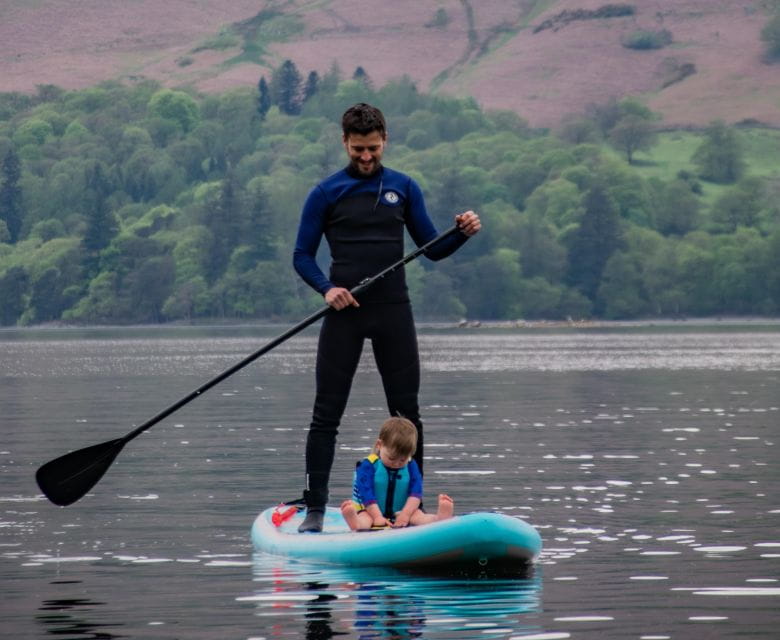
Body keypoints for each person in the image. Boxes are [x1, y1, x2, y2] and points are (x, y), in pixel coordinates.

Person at [293, 102, 481, 532]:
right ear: (344, 142)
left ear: (385, 141)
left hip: (394, 311)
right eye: (358, 148)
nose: (365, 156)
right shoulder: (326, 193)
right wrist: (327, 288)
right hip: (345, 313)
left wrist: (462, 234)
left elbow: (432, 248)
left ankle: (410, 510)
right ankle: (316, 509)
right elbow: (301, 255)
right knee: (326, 414)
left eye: (373, 148)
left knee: (408, 414)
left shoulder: (404, 187)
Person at [341, 416, 453, 530]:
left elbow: (416, 494)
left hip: (401, 512)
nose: (396, 464)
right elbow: (366, 493)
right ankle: (354, 522)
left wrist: (405, 515)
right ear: (380, 445)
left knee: (418, 516)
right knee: (365, 519)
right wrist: (377, 516)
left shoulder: (411, 466)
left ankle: (439, 518)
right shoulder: (368, 466)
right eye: (392, 458)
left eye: (402, 460)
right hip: (370, 511)